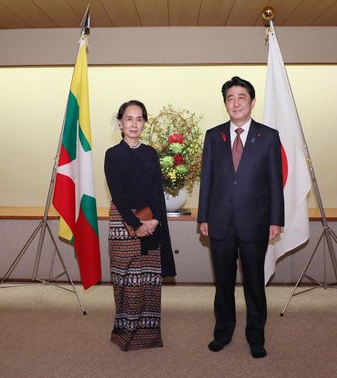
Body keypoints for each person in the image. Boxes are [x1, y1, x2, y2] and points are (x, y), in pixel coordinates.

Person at [197, 76, 284, 358]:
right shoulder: (213, 136)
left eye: (241, 97)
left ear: (252, 102)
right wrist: (203, 217)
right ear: (225, 103)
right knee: (223, 283)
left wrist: (276, 219)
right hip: (220, 222)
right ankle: (223, 332)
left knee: (254, 283)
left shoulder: (268, 136)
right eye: (230, 98)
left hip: (255, 222)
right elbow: (207, 179)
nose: (236, 103)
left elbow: (274, 181)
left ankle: (256, 336)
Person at [104, 100, 176, 351]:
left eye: (139, 119)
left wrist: (154, 220)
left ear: (144, 123)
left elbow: (157, 190)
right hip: (123, 223)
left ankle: (148, 335)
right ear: (120, 123)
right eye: (129, 119)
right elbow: (118, 194)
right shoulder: (112, 155)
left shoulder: (150, 153)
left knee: (148, 279)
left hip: (152, 221)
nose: (134, 124)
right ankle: (125, 333)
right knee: (126, 279)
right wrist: (136, 224)